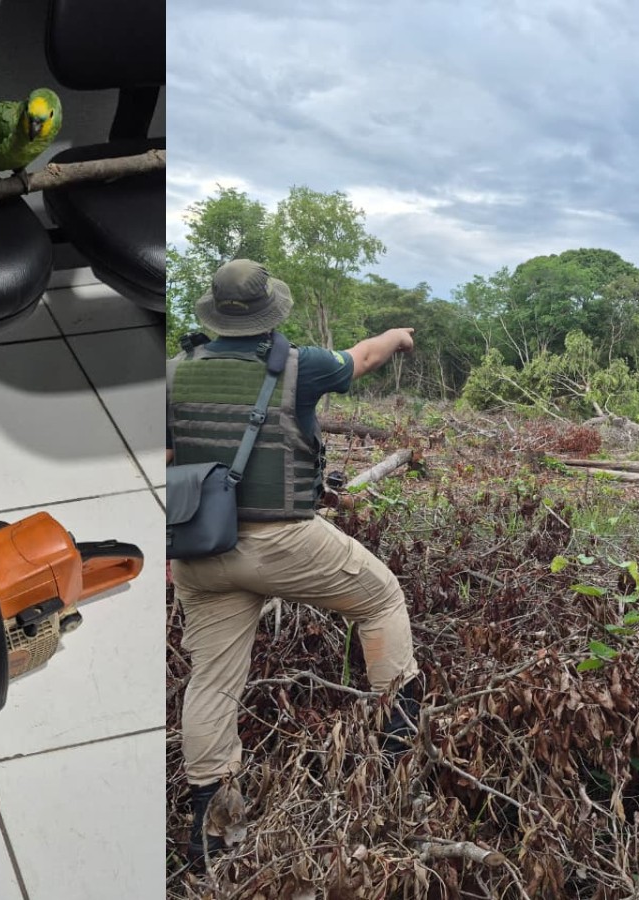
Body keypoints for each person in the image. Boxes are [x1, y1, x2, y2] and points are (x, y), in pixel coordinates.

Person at [166, 259, 421, 868]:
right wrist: (399, 335)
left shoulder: (174, 374)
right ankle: (399, 746)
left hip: (200, 552)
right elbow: (364, 358)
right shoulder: (300, 367)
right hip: (282, 541)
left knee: (213, 682)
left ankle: (214, 829)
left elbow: (175, 458)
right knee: (381, 598)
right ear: (268, 315)